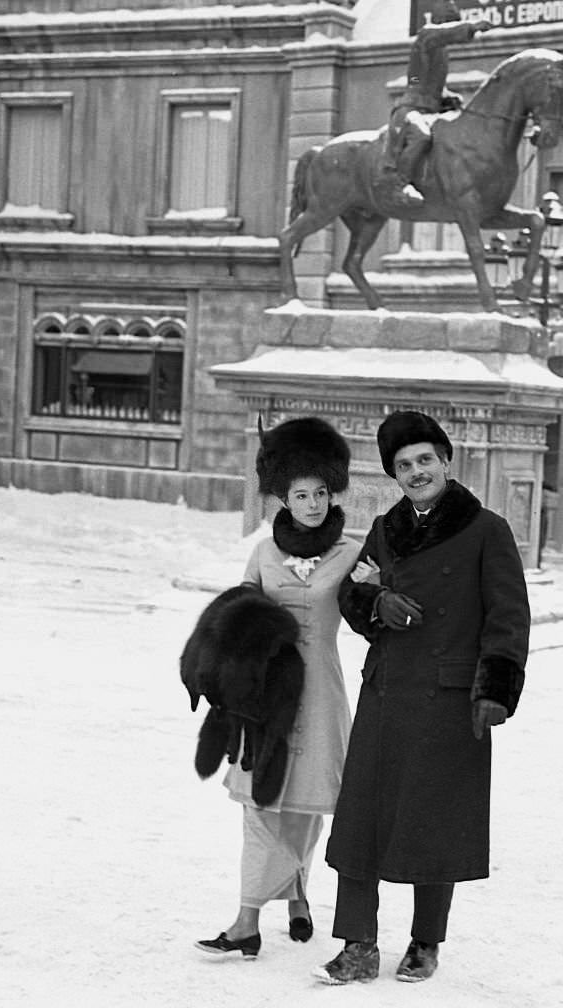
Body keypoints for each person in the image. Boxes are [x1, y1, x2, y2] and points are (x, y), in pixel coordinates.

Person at [313, 409, 530, 984]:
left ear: (445, 461)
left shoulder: (487, 530)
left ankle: (425, 942)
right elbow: (351, 591)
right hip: (386, 693)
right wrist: (376, 602)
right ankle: (357, 944)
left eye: (424, 460)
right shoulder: (386, 530)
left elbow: (509, 617)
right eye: (404, 465)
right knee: (361, 820)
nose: (416, 472)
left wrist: (496, 690)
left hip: (452, 699)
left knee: (436, 821)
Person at [194, 416, 360, 959]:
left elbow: (371, 611)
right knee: (259, 803)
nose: (312, 504)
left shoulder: (352, 554)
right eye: (300, 494)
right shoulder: (264, 553)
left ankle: (298, 896)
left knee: (306, 805)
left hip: (322, 695)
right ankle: (246, 921)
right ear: (281, 499)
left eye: (319, 493)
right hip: (266, 695)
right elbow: (238, 612)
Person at [380, 0, 491, 207]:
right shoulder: (427, 36)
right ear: (440, 20)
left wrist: (448, 97)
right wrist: (471, 27)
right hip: (411, 108)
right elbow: (417, 81)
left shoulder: (442, 52)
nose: (453, 23)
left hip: (430, 111)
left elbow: (433, 87)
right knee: (421, 137)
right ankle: (399, 183)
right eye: (450, 20)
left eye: (455, 19)